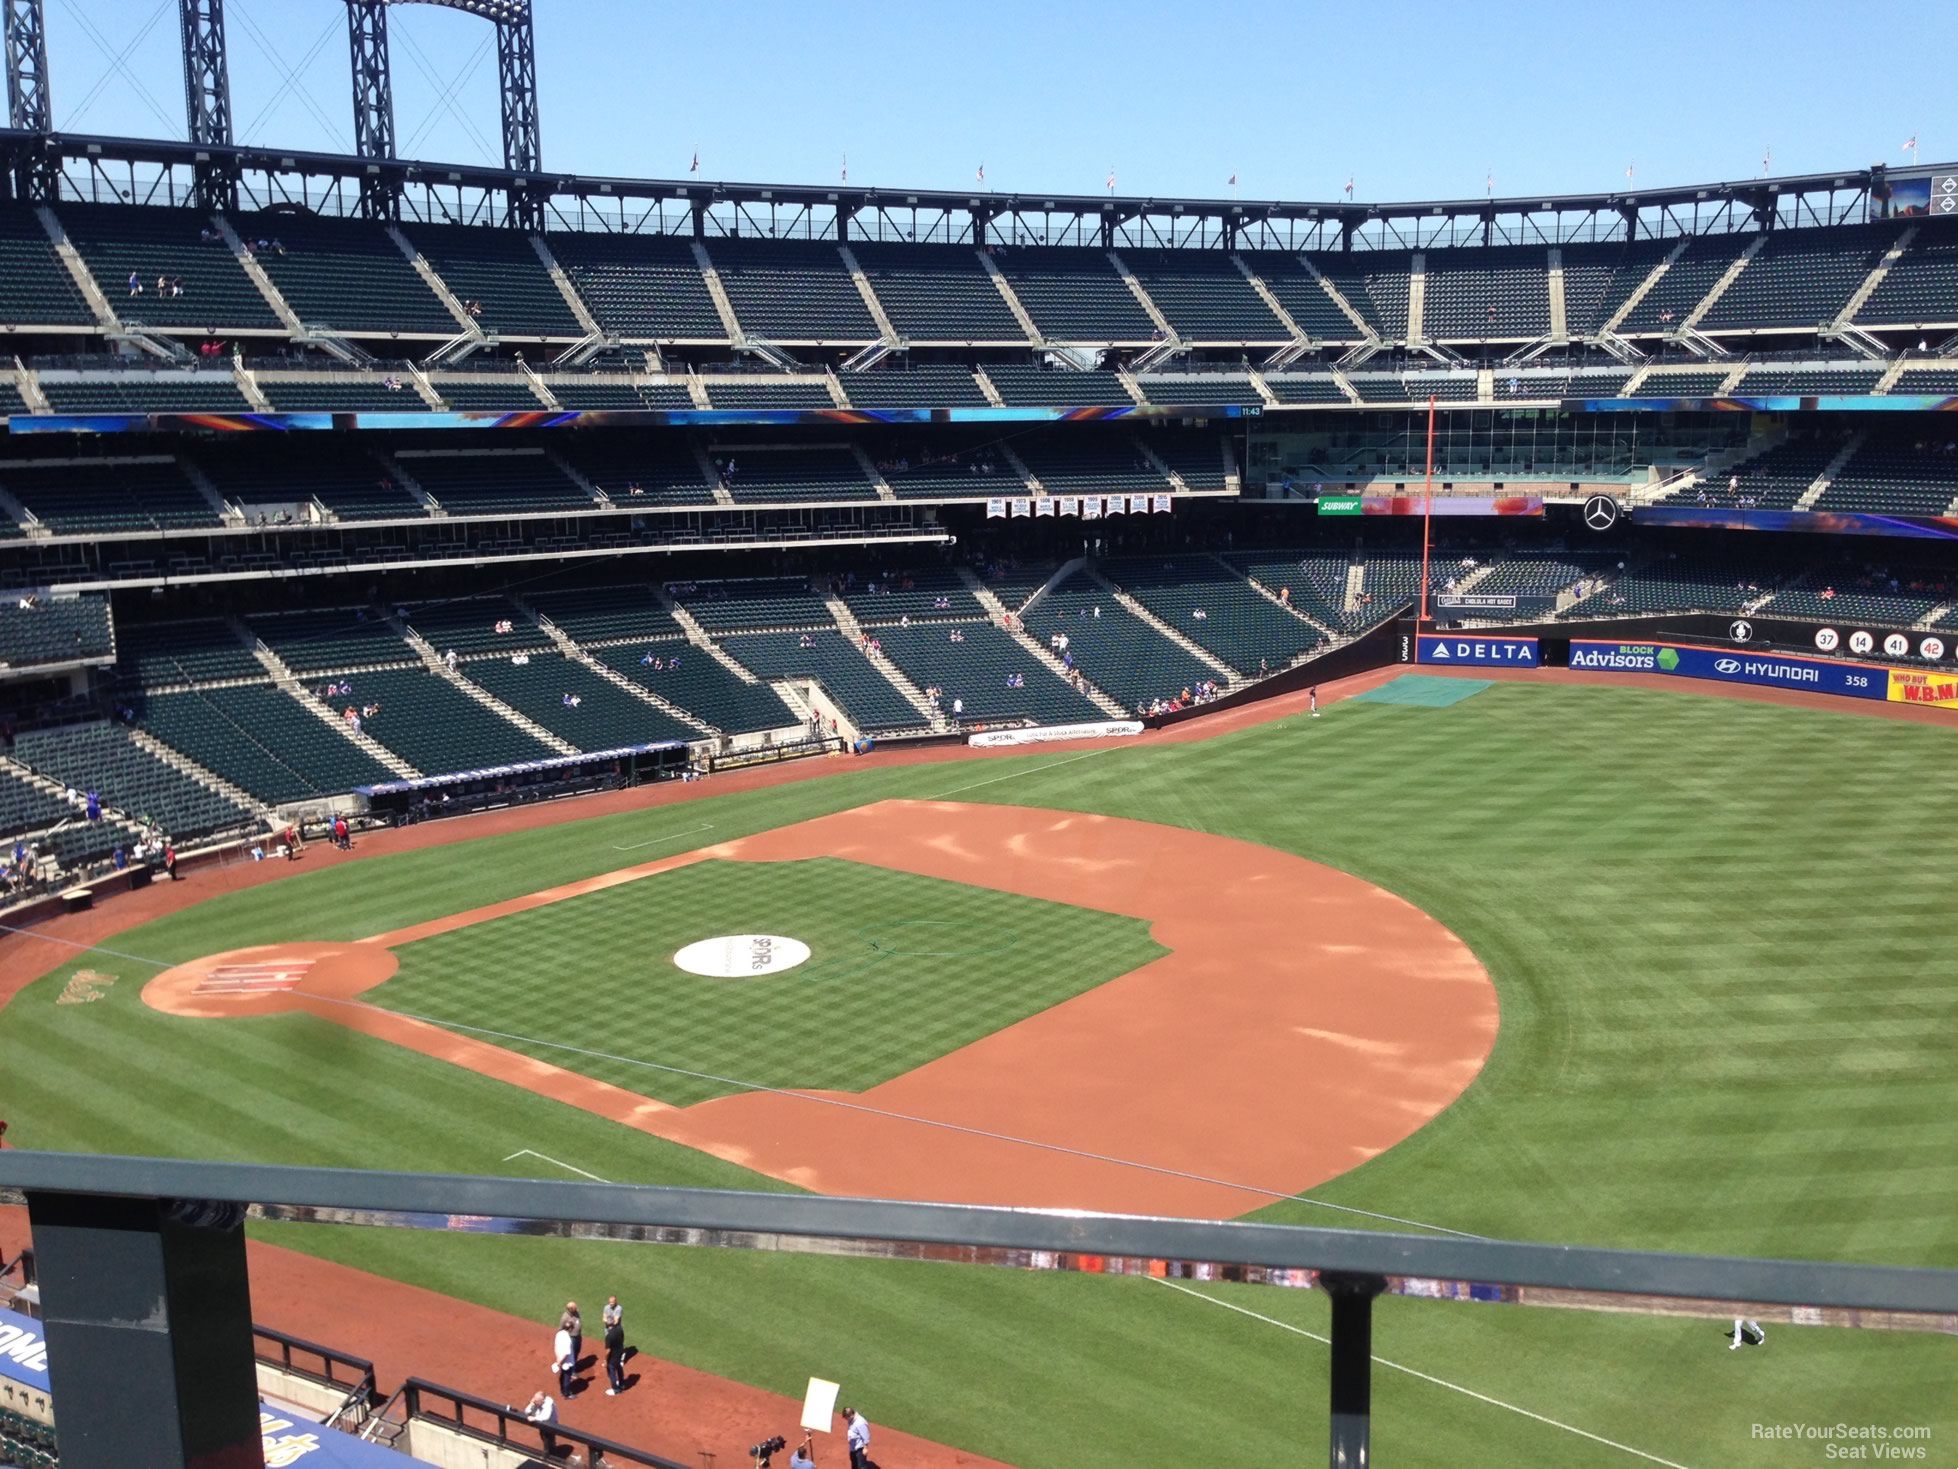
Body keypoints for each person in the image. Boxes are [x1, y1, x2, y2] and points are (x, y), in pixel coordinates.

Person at [602, 1295, 626, 1395]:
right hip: (619, 1350)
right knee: (619, 1367)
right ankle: (622, 1383)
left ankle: (616, 1389)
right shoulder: (619, 1329)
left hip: (613, 1354)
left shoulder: (609, 1336)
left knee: (611, 1369)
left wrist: (605, 1360)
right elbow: (622, 1339)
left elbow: (608, 1350)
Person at [552, 1318, 575, 1395]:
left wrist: (558, 1360)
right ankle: (567, 1393)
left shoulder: (559, 1334)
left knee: (562, 1376)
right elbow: (566, 1353)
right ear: (570, 1329)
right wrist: (560, 1362)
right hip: (567, 1362)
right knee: (567, 1378)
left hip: (559, 1358)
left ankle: (562, 1390)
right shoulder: (568, 1339)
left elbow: (555, 1346)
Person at [561, 1301, 583, 1371]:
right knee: (571, 1354)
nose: (576, 1309)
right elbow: (561, 1329)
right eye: (575, 1308)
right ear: (570, 1309)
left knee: (577, 1350)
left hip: (578, 1336)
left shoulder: (576, 1313)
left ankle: (573, 1365)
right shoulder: (565, 1317)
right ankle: (571, 1370)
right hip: (571, 1338)